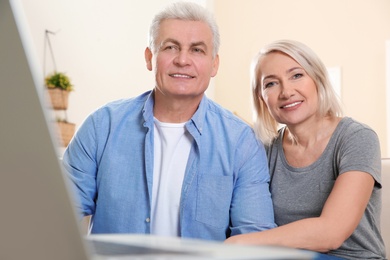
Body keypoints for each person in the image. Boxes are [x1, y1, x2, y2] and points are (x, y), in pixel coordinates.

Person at [62, 2, 276, 241]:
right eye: (171, 47)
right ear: (149, 58)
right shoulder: (101, 127)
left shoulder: (241, 142)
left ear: (214, 64)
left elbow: (256, 239)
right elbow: (56, 215)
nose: (183, 60)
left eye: (197, 50)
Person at [225, 39, 386, 259]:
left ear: (318, 80)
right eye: (271, 83)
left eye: (296, 75)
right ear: (261, 98)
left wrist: (241, 243)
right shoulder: (264, 150)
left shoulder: (356, 138)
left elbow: (332, 232)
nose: (286, 91)